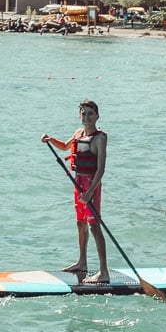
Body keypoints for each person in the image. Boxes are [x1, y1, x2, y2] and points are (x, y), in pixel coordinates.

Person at [41, 100, 108, 283]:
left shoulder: (100, 138)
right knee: (80, 223)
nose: (86, 117)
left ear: (97, 116)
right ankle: (82, 262)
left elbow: (101, 170)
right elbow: (64, 146)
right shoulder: (78, 133)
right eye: (83, 113)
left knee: (94, 226)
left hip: (91, 185)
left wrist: (89, 193)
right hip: (77, 183)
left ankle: (103, 271)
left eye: (90, 114)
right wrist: (50, 140)